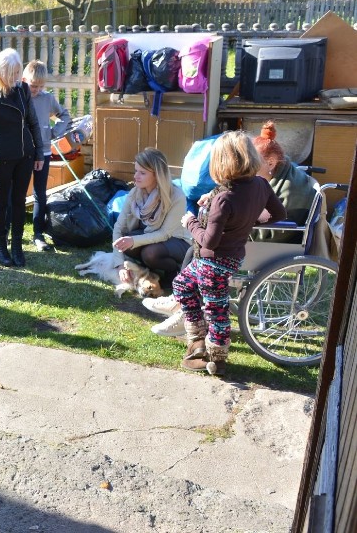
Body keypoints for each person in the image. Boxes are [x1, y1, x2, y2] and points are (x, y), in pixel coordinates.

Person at [174, 131, 286, 376]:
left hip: (213, 262)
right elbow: (278, 215)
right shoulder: (260, 185)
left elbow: (209, 242)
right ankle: (196, 340)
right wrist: (252, 217)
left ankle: (216, 357)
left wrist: (190, 222)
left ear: (221, 162)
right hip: (233, 257)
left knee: (216, 310)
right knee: (182, 284)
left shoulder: (225, 198)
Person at [0, 48, 44, 267]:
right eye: (12, 73)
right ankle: (0, 246)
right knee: (1, 203)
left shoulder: (23, 89)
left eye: (18, 72)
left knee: (19, 201)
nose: (16, 77)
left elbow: (33, 121)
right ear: (0, 71)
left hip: (25, 156)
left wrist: (39, 152)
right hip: (0, 160)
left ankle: (17, 247)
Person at [112, 148, 191, 292]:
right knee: (125, 242)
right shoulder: (135, 193)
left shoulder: (176, 196)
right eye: (135, 171)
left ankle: (173, 271)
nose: (136, 176)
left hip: (178, 242)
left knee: (150, 253)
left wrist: (134, 241)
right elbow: (118, 228)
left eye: (142, 173)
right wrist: (120, 265)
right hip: (153, 237)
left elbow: (164, 234)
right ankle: (151, 267)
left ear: (157, 175)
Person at [21, 60, 71, 252]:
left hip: (43, 151)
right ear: (24, 80)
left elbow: (64, 115)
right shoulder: (19, 96)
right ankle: (12, 231)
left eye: (41, 86)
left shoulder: (47, 98)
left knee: (40, 193)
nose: (37, 90)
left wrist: (53, 132)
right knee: (17, 193)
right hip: (23, 153)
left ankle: (38, 234)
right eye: (34, 86)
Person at [252, 120, 316, 243]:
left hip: (269, 246)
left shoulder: (289, 192)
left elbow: (267, 235)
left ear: (271, 163)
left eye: (252, 164)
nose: (247, 169)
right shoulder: (282, 172)